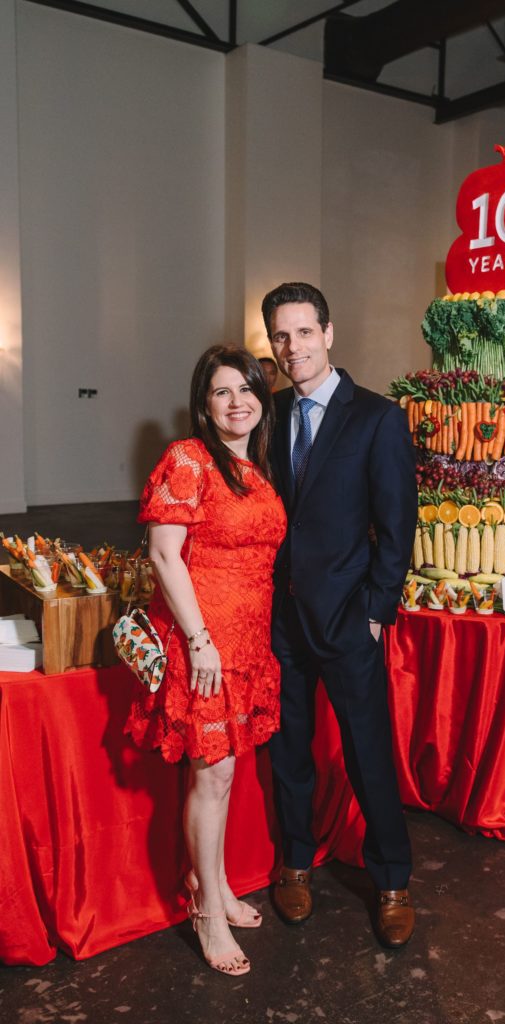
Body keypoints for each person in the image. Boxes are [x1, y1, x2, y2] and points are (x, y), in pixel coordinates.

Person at [261, 281, 417, 947]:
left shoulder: (376, 418)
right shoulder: (267, 414)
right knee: (290, 753)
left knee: (367, 753)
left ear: (327, 333)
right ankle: (295, 863)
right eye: (280, 335)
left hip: (349, 619)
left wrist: (375, 612)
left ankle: (392, 880)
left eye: (303, 332)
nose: (292, 346)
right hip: (280, 620)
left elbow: (397, 526)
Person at [125, 346, 286, 977]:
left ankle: (212, 885)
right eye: (222, 391)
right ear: (204, 403)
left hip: (247, 642)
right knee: (212, 774)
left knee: (223, 773)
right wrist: (197, 640)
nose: (237, 401)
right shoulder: (189, 458)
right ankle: (207, 913)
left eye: (246, 389)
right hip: (205, 645)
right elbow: (165, 555)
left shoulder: (255, 466)